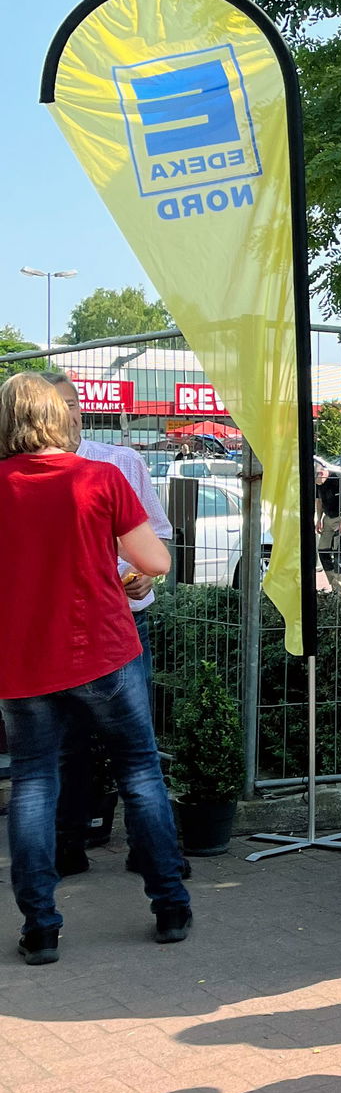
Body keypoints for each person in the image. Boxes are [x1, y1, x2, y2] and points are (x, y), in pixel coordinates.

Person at [0, 373, 192, 965]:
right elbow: (156, 559)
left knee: (33, 783)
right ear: (62, 416)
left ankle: (41, 927)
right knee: (139, 772)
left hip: (23, 662)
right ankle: (169, 906)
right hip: (105, 651)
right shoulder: (99, 478)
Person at [41, 373, 175, 879]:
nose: (70, 415)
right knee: (68, 747)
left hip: (122, 627)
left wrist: (135, 575)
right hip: (58, 631)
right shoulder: (22, 474)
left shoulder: (120, 461)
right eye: (59, 407)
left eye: (74, 404)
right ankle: (66, 845)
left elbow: (158, 536)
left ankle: (151, 853)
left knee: (135, 748)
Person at [313, 460, 341, 596]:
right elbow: (319, 501)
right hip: (329, 516)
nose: (316, 483)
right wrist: (319, 519)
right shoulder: (318, 483)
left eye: (316, 479)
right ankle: (334, 585)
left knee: (340, 552)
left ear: (321, 473)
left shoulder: (337, 478)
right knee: (323, 550)